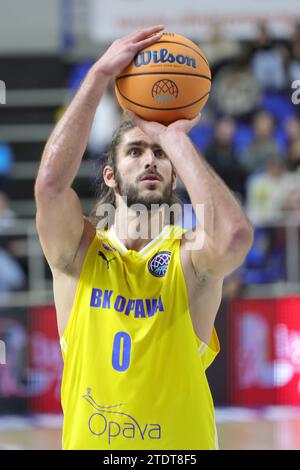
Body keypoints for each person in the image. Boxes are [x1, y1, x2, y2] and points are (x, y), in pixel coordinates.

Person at [34, 25, 253, 450]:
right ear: (111, 176)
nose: (149, 160)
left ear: (175, 173)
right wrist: (98, 76)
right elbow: (49, 188)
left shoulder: (190, 257)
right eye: (135, 151)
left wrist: (173, 138)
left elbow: (235, 237)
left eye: (160, 156)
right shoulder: (78, 254)